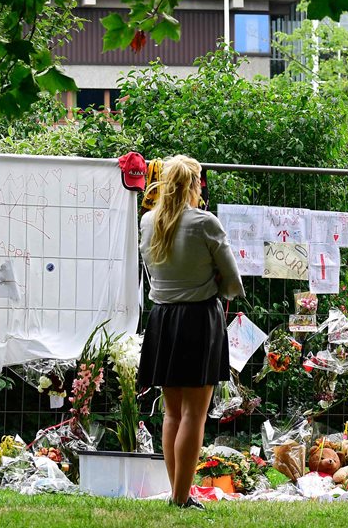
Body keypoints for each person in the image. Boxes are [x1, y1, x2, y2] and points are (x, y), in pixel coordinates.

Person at [137, 155, 244, 509]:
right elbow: (232, 281)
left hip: (163, 318)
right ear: (196, 184)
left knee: (172, 413)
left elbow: (152, 269)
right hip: (199, 320)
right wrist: (216, 283)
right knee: (194, 415)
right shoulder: (205, 223)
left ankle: (177, 492)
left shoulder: (149, 221)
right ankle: (181, 497)